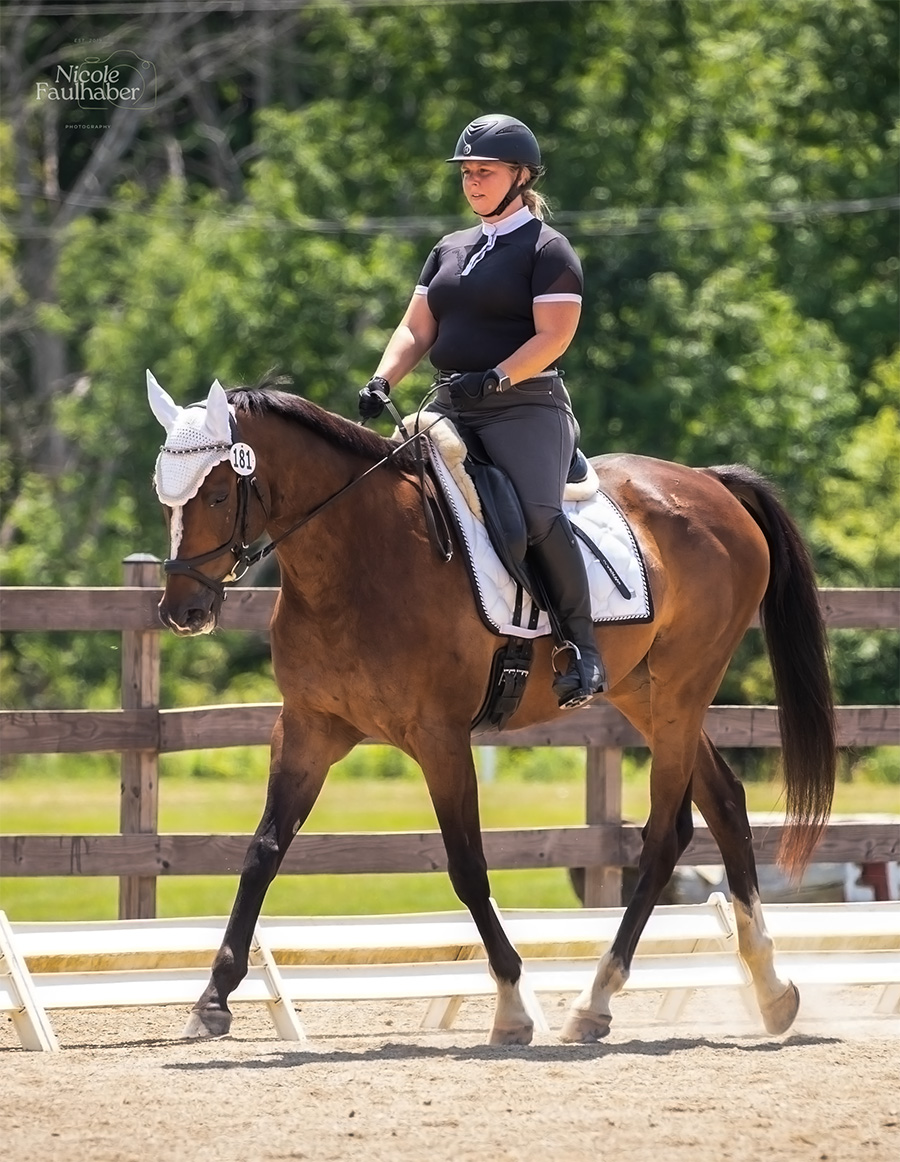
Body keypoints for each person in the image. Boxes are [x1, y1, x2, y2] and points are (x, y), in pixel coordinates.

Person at [359, 113, 607, 709]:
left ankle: (583, 647)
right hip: (450, 402)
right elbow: (417, 327)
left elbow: (554, 335)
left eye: (485, 173)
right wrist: (381, 378)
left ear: (522, 176)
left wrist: (496, 377)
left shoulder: (548, 249)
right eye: (467, 173)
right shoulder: (449, 248)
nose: (472, 183)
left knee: (539, 515)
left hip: (523, 406)